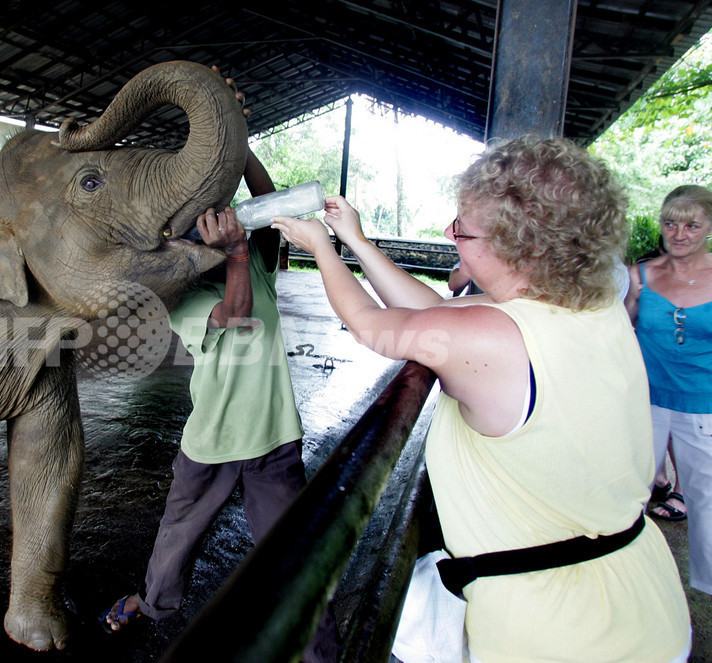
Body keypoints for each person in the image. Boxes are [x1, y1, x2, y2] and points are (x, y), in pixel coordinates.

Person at [273, 136, 691, 662]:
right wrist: (353, 238)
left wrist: (320, 250)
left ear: (524, 248)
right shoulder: (591, 305)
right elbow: (433, 311)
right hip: (643, 600)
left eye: (463, 230)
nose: (450, 234)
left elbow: (372, 326)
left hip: (559, 635)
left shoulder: (494, 338)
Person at [101, 147, 339, 663]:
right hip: (213, 440)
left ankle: (321, 653)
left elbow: (275, 203)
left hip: (274, 436)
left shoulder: (256, 260)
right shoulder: (178, 296)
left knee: (296, 555)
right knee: (177, 535)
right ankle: (154, 602)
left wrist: (241, 145)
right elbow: (235, 315)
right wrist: (231, 252)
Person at [624, 184, 712, 592]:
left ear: (708, 227)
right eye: (670, 223)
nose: (679, 233)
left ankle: (707, 588)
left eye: (692, 225)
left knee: (707, 505)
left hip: (705, 408)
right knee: (628, 494)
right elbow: (617, 337)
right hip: (645, 403)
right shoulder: (639, 277)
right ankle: (629, 583)